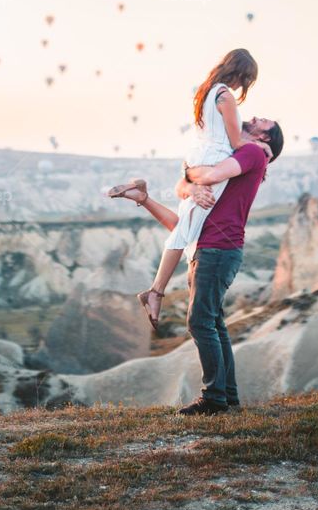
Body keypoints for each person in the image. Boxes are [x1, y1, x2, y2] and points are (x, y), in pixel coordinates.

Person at [109, 48, 258, 331]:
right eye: (247, 80)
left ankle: (143, 197)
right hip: (215, 161)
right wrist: (255, 152)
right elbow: (237, 142)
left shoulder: (206, 92)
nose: (244, 86)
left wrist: (191, 180)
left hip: (195, 157)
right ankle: (155, 292)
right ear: (242, 73)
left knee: (187, 225)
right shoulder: (226, 96)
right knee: (185, 231)